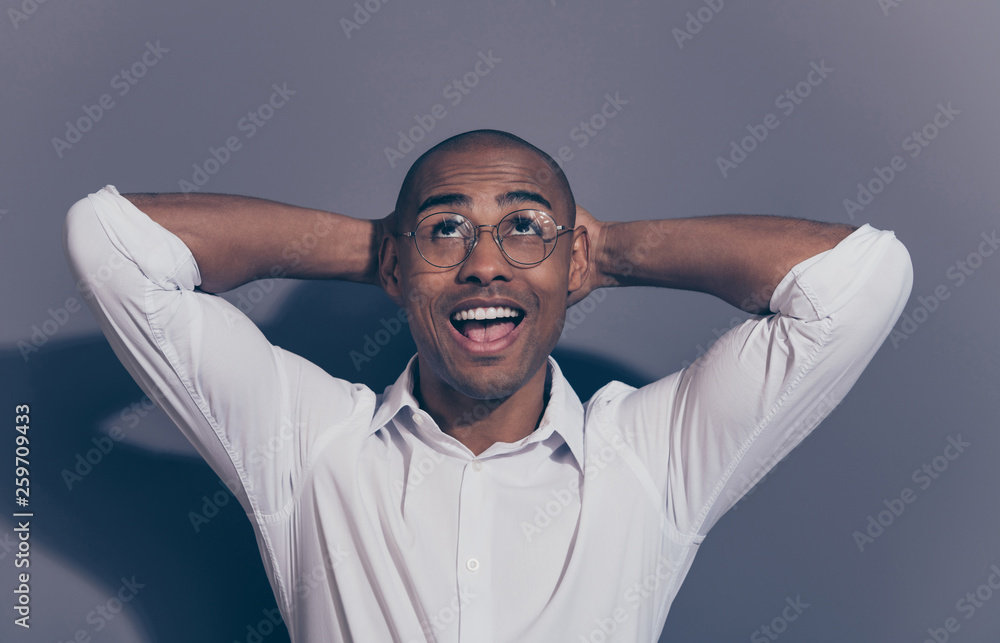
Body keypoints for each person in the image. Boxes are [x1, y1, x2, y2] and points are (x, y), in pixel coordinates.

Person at [63, 129, 913, 642]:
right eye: (448, 231)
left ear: (572, 257)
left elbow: (861, 279)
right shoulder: (310, 446)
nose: (482, 263)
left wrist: (603, 252)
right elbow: (112, 243)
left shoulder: (650, 460)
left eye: (523, 227)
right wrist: (386, 250)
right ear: (397, 264)